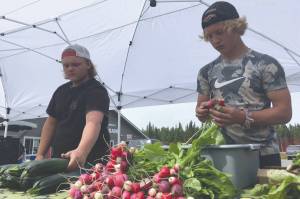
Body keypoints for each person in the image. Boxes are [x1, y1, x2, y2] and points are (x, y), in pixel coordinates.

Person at [195, 1, 292, 168]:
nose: (215, 41)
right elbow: (201, 114)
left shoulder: (266, 64)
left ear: (236, 26)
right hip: (225, 156)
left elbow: (284, 113)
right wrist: (202, 112)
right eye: (209, 36)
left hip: (265, 155)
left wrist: (243, 117)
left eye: (219, 32)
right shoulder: (206, 72)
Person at [36, 44, 110, 171]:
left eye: (75, 64)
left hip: (89, 163)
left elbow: (93, 122)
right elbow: (50, 124)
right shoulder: (60, 91)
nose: (70, 68)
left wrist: (81, 151)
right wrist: (40, 154)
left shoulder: (96, 91)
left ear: (88, 65)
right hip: (59, 160)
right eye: (66, 65)